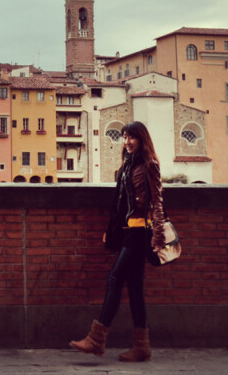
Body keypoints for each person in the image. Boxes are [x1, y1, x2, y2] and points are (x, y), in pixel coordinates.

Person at [70, 120, 165, 362]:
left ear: (141, 138)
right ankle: (142, 347)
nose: (127, 141)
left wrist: (159, 235)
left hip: (140, 232)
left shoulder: (149, 165)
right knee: (134, 290)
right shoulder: (126, 166)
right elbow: (119, 203)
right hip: (127, 231)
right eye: (124, 137)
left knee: (114, 278)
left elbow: (157, 202)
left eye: (131, 137)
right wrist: (111, 231)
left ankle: (96, 339)